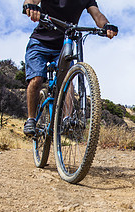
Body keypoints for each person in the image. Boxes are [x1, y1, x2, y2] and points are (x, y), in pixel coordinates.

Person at [22, 0, 118, 136]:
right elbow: (31, 0)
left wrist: (106, 25)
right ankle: (31, 120)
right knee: (37, 79)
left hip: (63, 47)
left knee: (67, 81)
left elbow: (97, 15)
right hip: (40, 43)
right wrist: (30, 6)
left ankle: (68, 119)